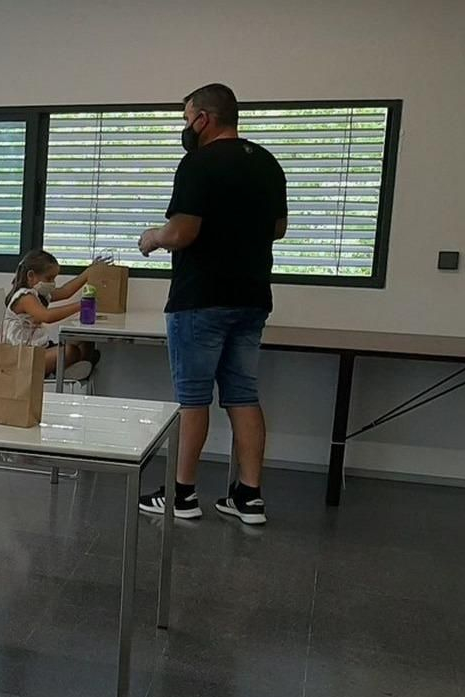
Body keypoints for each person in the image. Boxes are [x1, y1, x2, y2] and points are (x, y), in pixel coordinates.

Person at [136, 83, 286, 525]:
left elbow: (182, 232)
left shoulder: (197, 164)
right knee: (243, 394)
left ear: (205, 117)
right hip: (252, 296)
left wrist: (152, 238)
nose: (186, 127)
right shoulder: (266, 162)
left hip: (200, 299)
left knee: (193, 399)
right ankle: (249, 497)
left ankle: (182, 495)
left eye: (187, 118)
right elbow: (278, 229)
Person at [0, 250, 105, 379]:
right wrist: (81, 306)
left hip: (39, 348)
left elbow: (66, 291)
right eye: (49, 278)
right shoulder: (25, 297)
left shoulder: (38, 293)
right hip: (23, 357)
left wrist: (89, 272)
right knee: (71, 351)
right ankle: (60, 370)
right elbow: (47, 316)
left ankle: (74, 366)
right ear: (31, 276)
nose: (52, 283)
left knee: (84, 340)